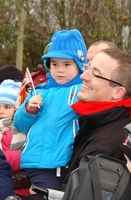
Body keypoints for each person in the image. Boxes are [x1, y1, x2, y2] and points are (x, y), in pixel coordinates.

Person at [14, 29, 87, 193]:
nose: (59, 70)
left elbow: (116, 94)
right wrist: (28, 110)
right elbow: (20, 124)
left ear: (80, 64)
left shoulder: (84, 89)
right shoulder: (39, 91)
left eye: (67, 64)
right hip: (37, 163)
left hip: (68, 161)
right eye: (54, 64)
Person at [63, 47, 131, 186]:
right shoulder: (97, 121)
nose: (83, 76)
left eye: (95, 73)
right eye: (88, 67)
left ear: (118, 92)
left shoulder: (104, 149)